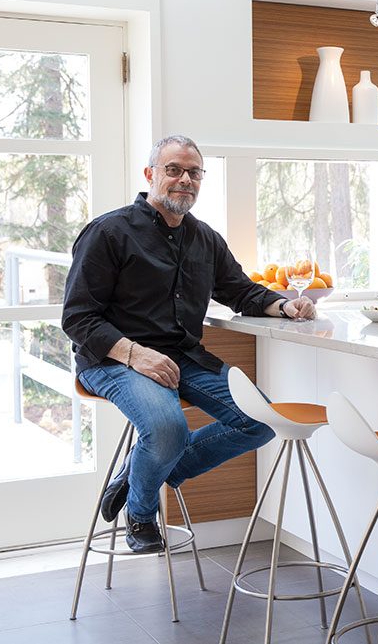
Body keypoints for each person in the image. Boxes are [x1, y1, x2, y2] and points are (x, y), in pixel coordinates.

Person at [62, 135, 315, 553]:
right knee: (166, 429)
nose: (185, 179)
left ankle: (143, 473)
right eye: (174, 170)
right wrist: (135, 354)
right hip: (113, 360)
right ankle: (141, 514)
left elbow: (241, 291)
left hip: (182, 357)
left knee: (263, 420)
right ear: (150, 175)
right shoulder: (108, 232)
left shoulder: (205, 238)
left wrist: (284, 307)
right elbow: (76, 317)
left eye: (194, 172)